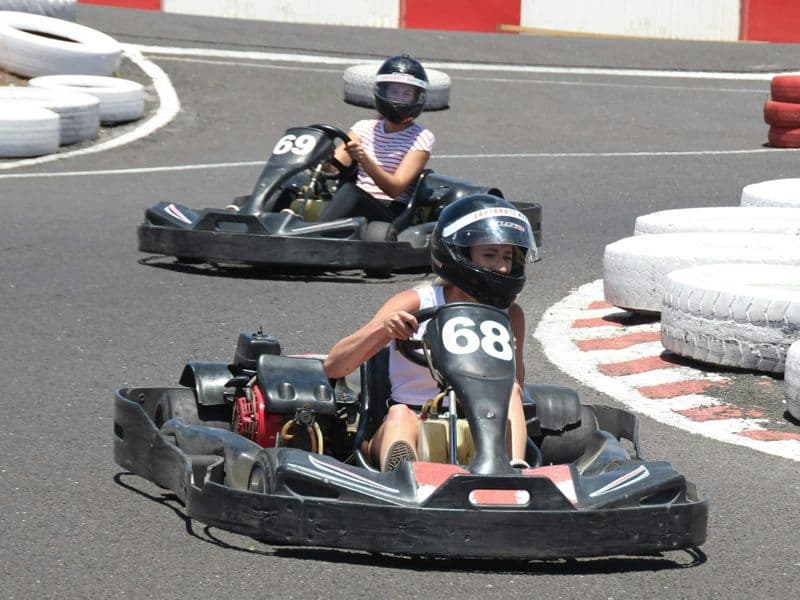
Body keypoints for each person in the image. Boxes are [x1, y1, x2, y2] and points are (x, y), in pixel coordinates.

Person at [323, 193, 536, 472]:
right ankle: (404, 474)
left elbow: (515, 383)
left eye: (507, 256)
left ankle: (514, 470)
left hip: (482, 425)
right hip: (414, 419)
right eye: (489, 255)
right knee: (400, 416)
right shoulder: (416, 302)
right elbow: (334, 366)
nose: (503, 266)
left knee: (510, 392)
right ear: (459, 255)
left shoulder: (511, 315)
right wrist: (383, 330)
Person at [317, 53, 436, 226]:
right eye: (394, 91)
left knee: (350, 192)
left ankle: (314, 235)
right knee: (295, 186)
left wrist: (364, 159)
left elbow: (394, 189)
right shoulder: (363, 127)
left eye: (406, 93)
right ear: (381, 91)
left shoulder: (422, 137)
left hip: (389, 211)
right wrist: (319, 152)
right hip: (353, 203)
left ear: (417, 98)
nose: (399, 98)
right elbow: (333, 168)